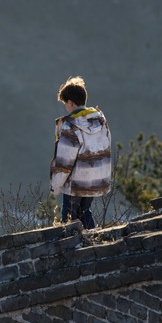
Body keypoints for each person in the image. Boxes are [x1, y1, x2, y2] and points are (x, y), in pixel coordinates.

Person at [50, 76, 111, 229]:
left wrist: (55, 186)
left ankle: (71, 248)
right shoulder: (100, 120)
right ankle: (93, 241)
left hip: (75, 183)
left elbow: (64, 163)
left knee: (69, 219)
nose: (66, 107)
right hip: (95, 180)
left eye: (66, 104)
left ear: (70, 102)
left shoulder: (70, 126)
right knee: (85, 211)